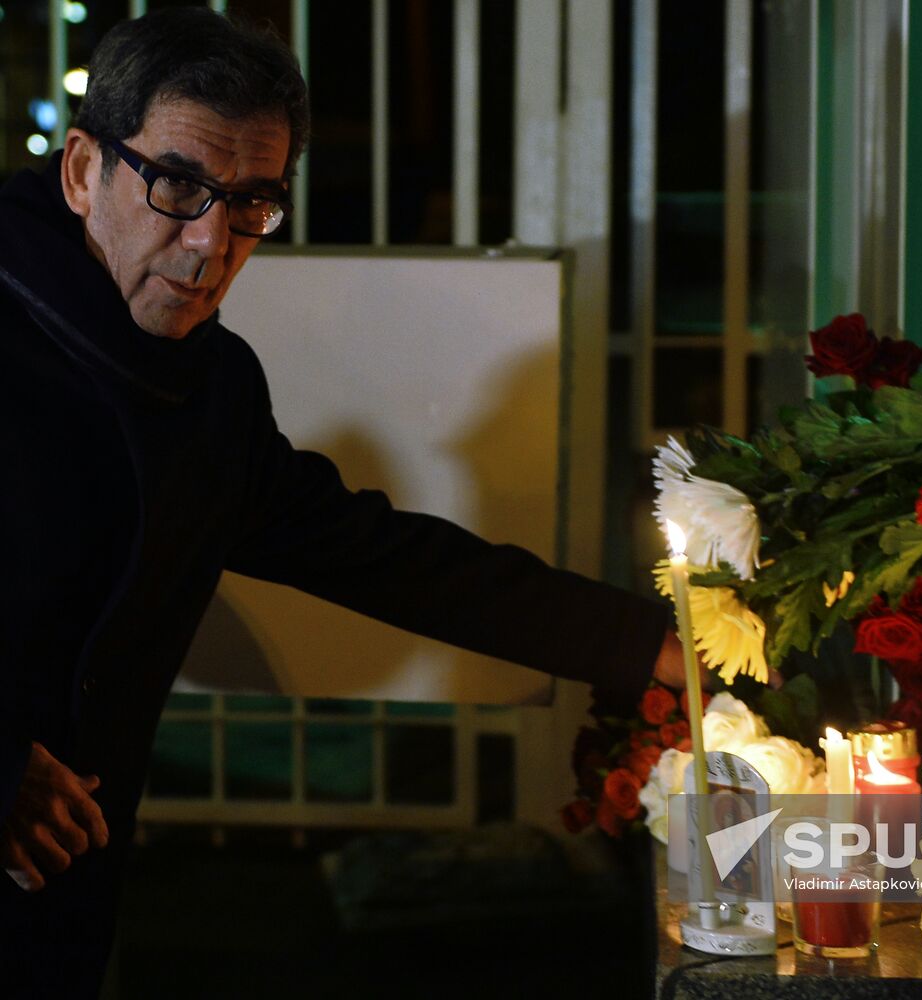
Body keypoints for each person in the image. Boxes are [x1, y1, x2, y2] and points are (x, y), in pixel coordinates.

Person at [0, 8, 685, 995]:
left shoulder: (210, 385)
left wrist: (650, 646)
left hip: (60, 900)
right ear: (81, 170)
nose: (210, 241)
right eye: (179, 186)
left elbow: (376, 554)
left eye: (251, 203)